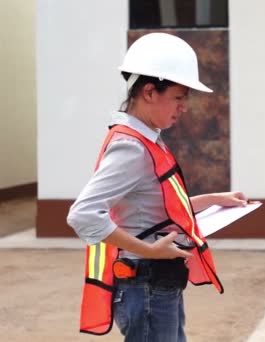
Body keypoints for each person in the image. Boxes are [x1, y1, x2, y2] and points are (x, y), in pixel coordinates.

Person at [67, 32, 245, 342]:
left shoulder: (147, 140)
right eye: (178, 97)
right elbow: (83, 215)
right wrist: (149, 249)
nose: (184, 108)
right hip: (145, 286)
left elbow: (158, 206)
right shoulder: (132, 148)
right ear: (149, 91)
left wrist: (217, 199)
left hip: (157, 284)